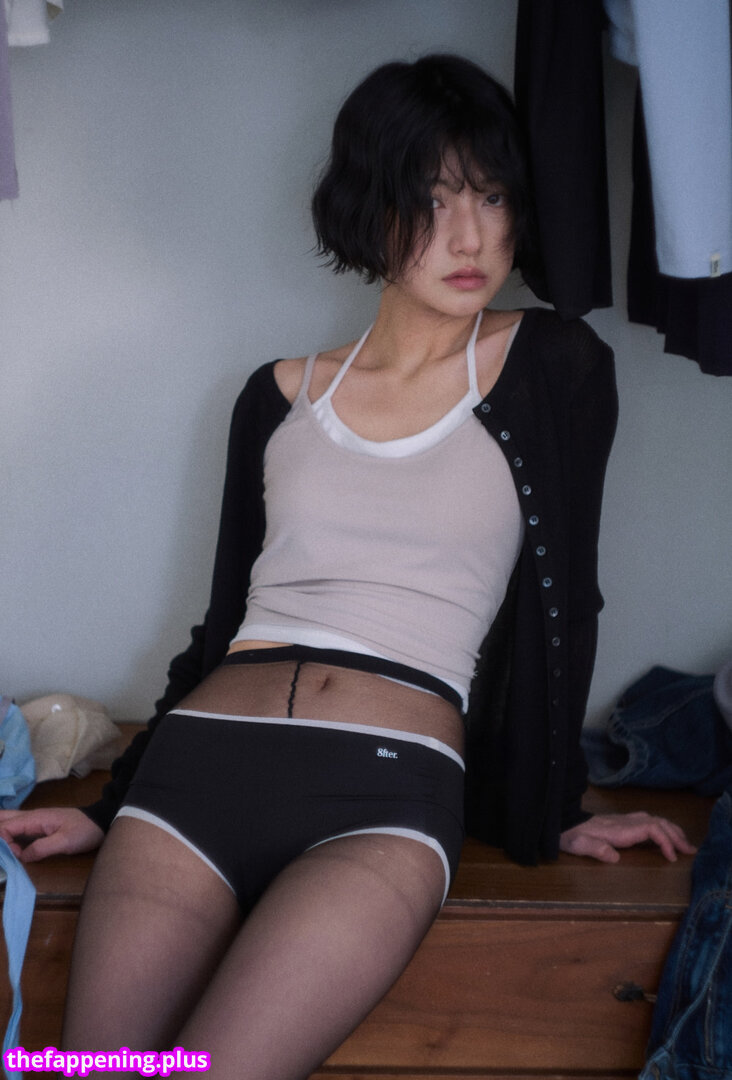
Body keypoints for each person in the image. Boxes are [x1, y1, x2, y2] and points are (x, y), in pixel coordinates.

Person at [0, 54, 694, 1078]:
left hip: (383, 791)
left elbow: (567, 604)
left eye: (492, 197)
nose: (470, 237)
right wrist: (110, 806)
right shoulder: (279, 394)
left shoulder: (552, 365)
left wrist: (557, 807)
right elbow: (221, 619)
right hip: (194, 778)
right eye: (432, 200)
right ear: (369, 209)